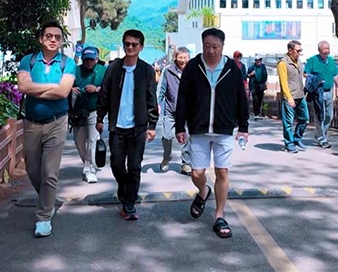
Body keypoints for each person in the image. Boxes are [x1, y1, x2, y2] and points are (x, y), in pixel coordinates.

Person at [175, 28, 249, 239]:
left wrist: (243, 127)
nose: (211, 50)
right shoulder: (193, 67)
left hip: (224, 129)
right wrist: (180, 126)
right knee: (196, 173)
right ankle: (203, 191)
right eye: (207, 46)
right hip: (198, 128)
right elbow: (183, 98)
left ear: (222, 46)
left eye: (215, 46)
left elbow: (241, 98)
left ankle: (219, 215)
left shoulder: (232, 68)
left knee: (222, 172)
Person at [16, 21, 77, 238]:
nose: (53, 40)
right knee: (32, 169)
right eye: (49, 36)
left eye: (57, 37)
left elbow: (63, 93)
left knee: (50, 172)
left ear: (61, 41)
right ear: (41, 38)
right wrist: (53, 86)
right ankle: (47, 200)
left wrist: (36, 89)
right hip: (32, 122)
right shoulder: (29, 60)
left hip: (57, 122)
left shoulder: (68, 63)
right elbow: (23, 87)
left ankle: (43, 217)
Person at [95, 30, 159, 220]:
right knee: (116, 164)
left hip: (138, 127)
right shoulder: (114, 68)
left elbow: (151, 98)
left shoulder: (147, 70)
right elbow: (104, 93)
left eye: (134, 44)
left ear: (141, 47)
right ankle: (124, 189)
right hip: (117, 127)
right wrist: (100, 117)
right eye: (127, 44)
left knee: (134, 166)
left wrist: (152, 125)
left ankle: (129, 203)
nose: (130, 47)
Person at [70, 46, 106, 183]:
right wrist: (72, 89)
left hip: (95, 110)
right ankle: (87, 162)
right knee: (79, 142)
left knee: (92, 140)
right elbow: (65, 84)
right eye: (86, 60)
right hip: (78, 112)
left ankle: (89, 169)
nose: (89, 63)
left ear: (96, 59)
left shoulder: (103, 70)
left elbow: (110, 88)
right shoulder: (76, 70)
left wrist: (96, 89)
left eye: (91, 60)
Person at [157, 47, 193, 175]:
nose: (183, 60)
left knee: (188, 137)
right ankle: (167, 157)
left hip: (189, 111)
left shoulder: (193, 71)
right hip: (171, 110)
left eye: (185, 58)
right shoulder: (168, 71)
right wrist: (157, 103)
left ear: (189, 58)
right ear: (175, 58)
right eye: (180, 57)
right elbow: (161, 89)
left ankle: (186, 163)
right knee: (167, 136)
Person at [304, 41, 338, 149]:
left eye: (328, 48)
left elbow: (335, 75)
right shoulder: (312, 60)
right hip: (317, 92)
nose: (327, 51)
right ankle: (322, 139)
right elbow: (306, 74)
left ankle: (320, 133)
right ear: (319, 50)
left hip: (329, 91)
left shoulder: (331, 60)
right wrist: (315, 79)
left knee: (329, 116)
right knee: (319, 115)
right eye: (325, 49)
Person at [278, 40, 308, 153]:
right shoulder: (283, 63)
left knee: (304, 118)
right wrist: (289, 97)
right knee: (288, 122)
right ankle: (289, 143)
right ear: (290, 50)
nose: (299, 53)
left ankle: (297, 138)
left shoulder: (298, 61)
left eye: (301, 50)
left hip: (300, 95)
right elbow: (283, 82)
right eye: (298, 51)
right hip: (290, 97)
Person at [247, 55, 268, 120]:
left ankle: (258, 113)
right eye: (258, 60)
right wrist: (251, 74)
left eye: (260, 60)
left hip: (261, 85)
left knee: (260, 99)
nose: (259, 61)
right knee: (255, 99)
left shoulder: (263, 67)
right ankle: (256, 113)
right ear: (255, 60)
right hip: (254, 85)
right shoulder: (251, 67)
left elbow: (265, 75)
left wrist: (265, 82)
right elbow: (247, 75)